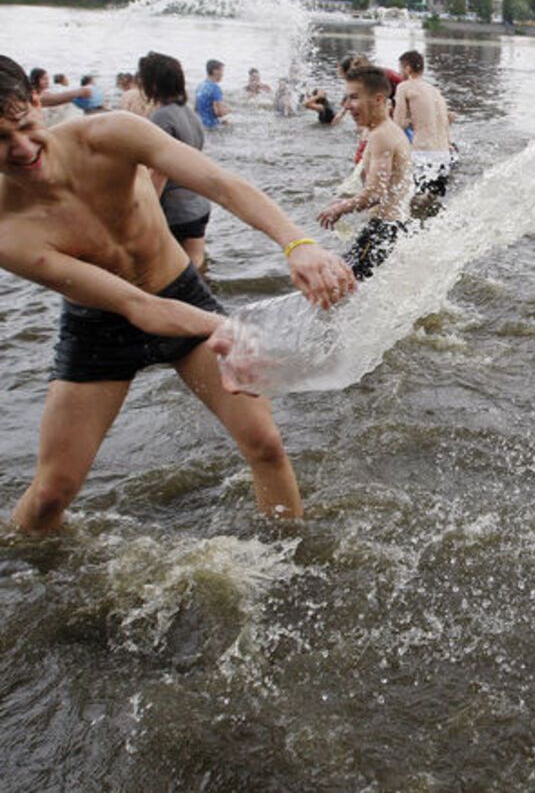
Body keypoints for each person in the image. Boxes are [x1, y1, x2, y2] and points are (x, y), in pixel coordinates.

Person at [0, 55, 357, 534]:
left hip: (183, 291)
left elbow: (220, 184)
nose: (21, 149)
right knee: (49, 495)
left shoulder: (111, 134)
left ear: (37, 103)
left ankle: (285, 553)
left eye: (24, 126)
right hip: (100, 326)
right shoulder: (7, 229)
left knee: (264, 443)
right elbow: (138, 308)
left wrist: (298, 244)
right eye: (0, 140)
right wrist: (239, 328)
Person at [317, 65, 413, 281]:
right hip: (391, 228)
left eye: (354, 98)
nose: (347, 106)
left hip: (383, 230)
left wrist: (340, 208)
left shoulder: (382, 136)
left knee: (338, 285)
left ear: (379, 100)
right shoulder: (381, 130)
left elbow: (375, 193)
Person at [139, 51, 211, 272]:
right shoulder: (190, 115)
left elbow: (159, 172)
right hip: (198, 204)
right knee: (196, 263)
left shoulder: (161, 117)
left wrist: (144, 214)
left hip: (175, 209)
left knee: (168, 271)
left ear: (153, 84)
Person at [393, 49, 455, 216]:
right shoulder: (436, 91)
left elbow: (397, 125)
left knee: (408, 204)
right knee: (428, 205)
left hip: (423, 154)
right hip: (444, 157)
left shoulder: (404, 87)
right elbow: (445, 122)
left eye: (400, 69)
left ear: (407, 68)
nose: (399, 73)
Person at [195, 58, 229, 129]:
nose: (222, 74)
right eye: (221, 71)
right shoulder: (215, 88)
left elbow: (196, 108)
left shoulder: (200, 86)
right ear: (215, 71)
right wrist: (227, 111)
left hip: (200, 125)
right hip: (211, 126)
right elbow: (219, 112)